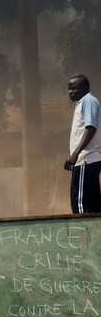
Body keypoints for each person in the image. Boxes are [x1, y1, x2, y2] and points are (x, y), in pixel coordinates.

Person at [64, 74, 101, 214]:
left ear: (85, 88)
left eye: (74, 89)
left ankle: (81, 234)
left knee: (80, 204)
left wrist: (75, 154)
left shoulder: (89, 101)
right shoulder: (82, 103)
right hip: (88, 160)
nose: (70, 92)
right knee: (94, 205)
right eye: (69, 89)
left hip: (86, 159)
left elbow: (91, 128)